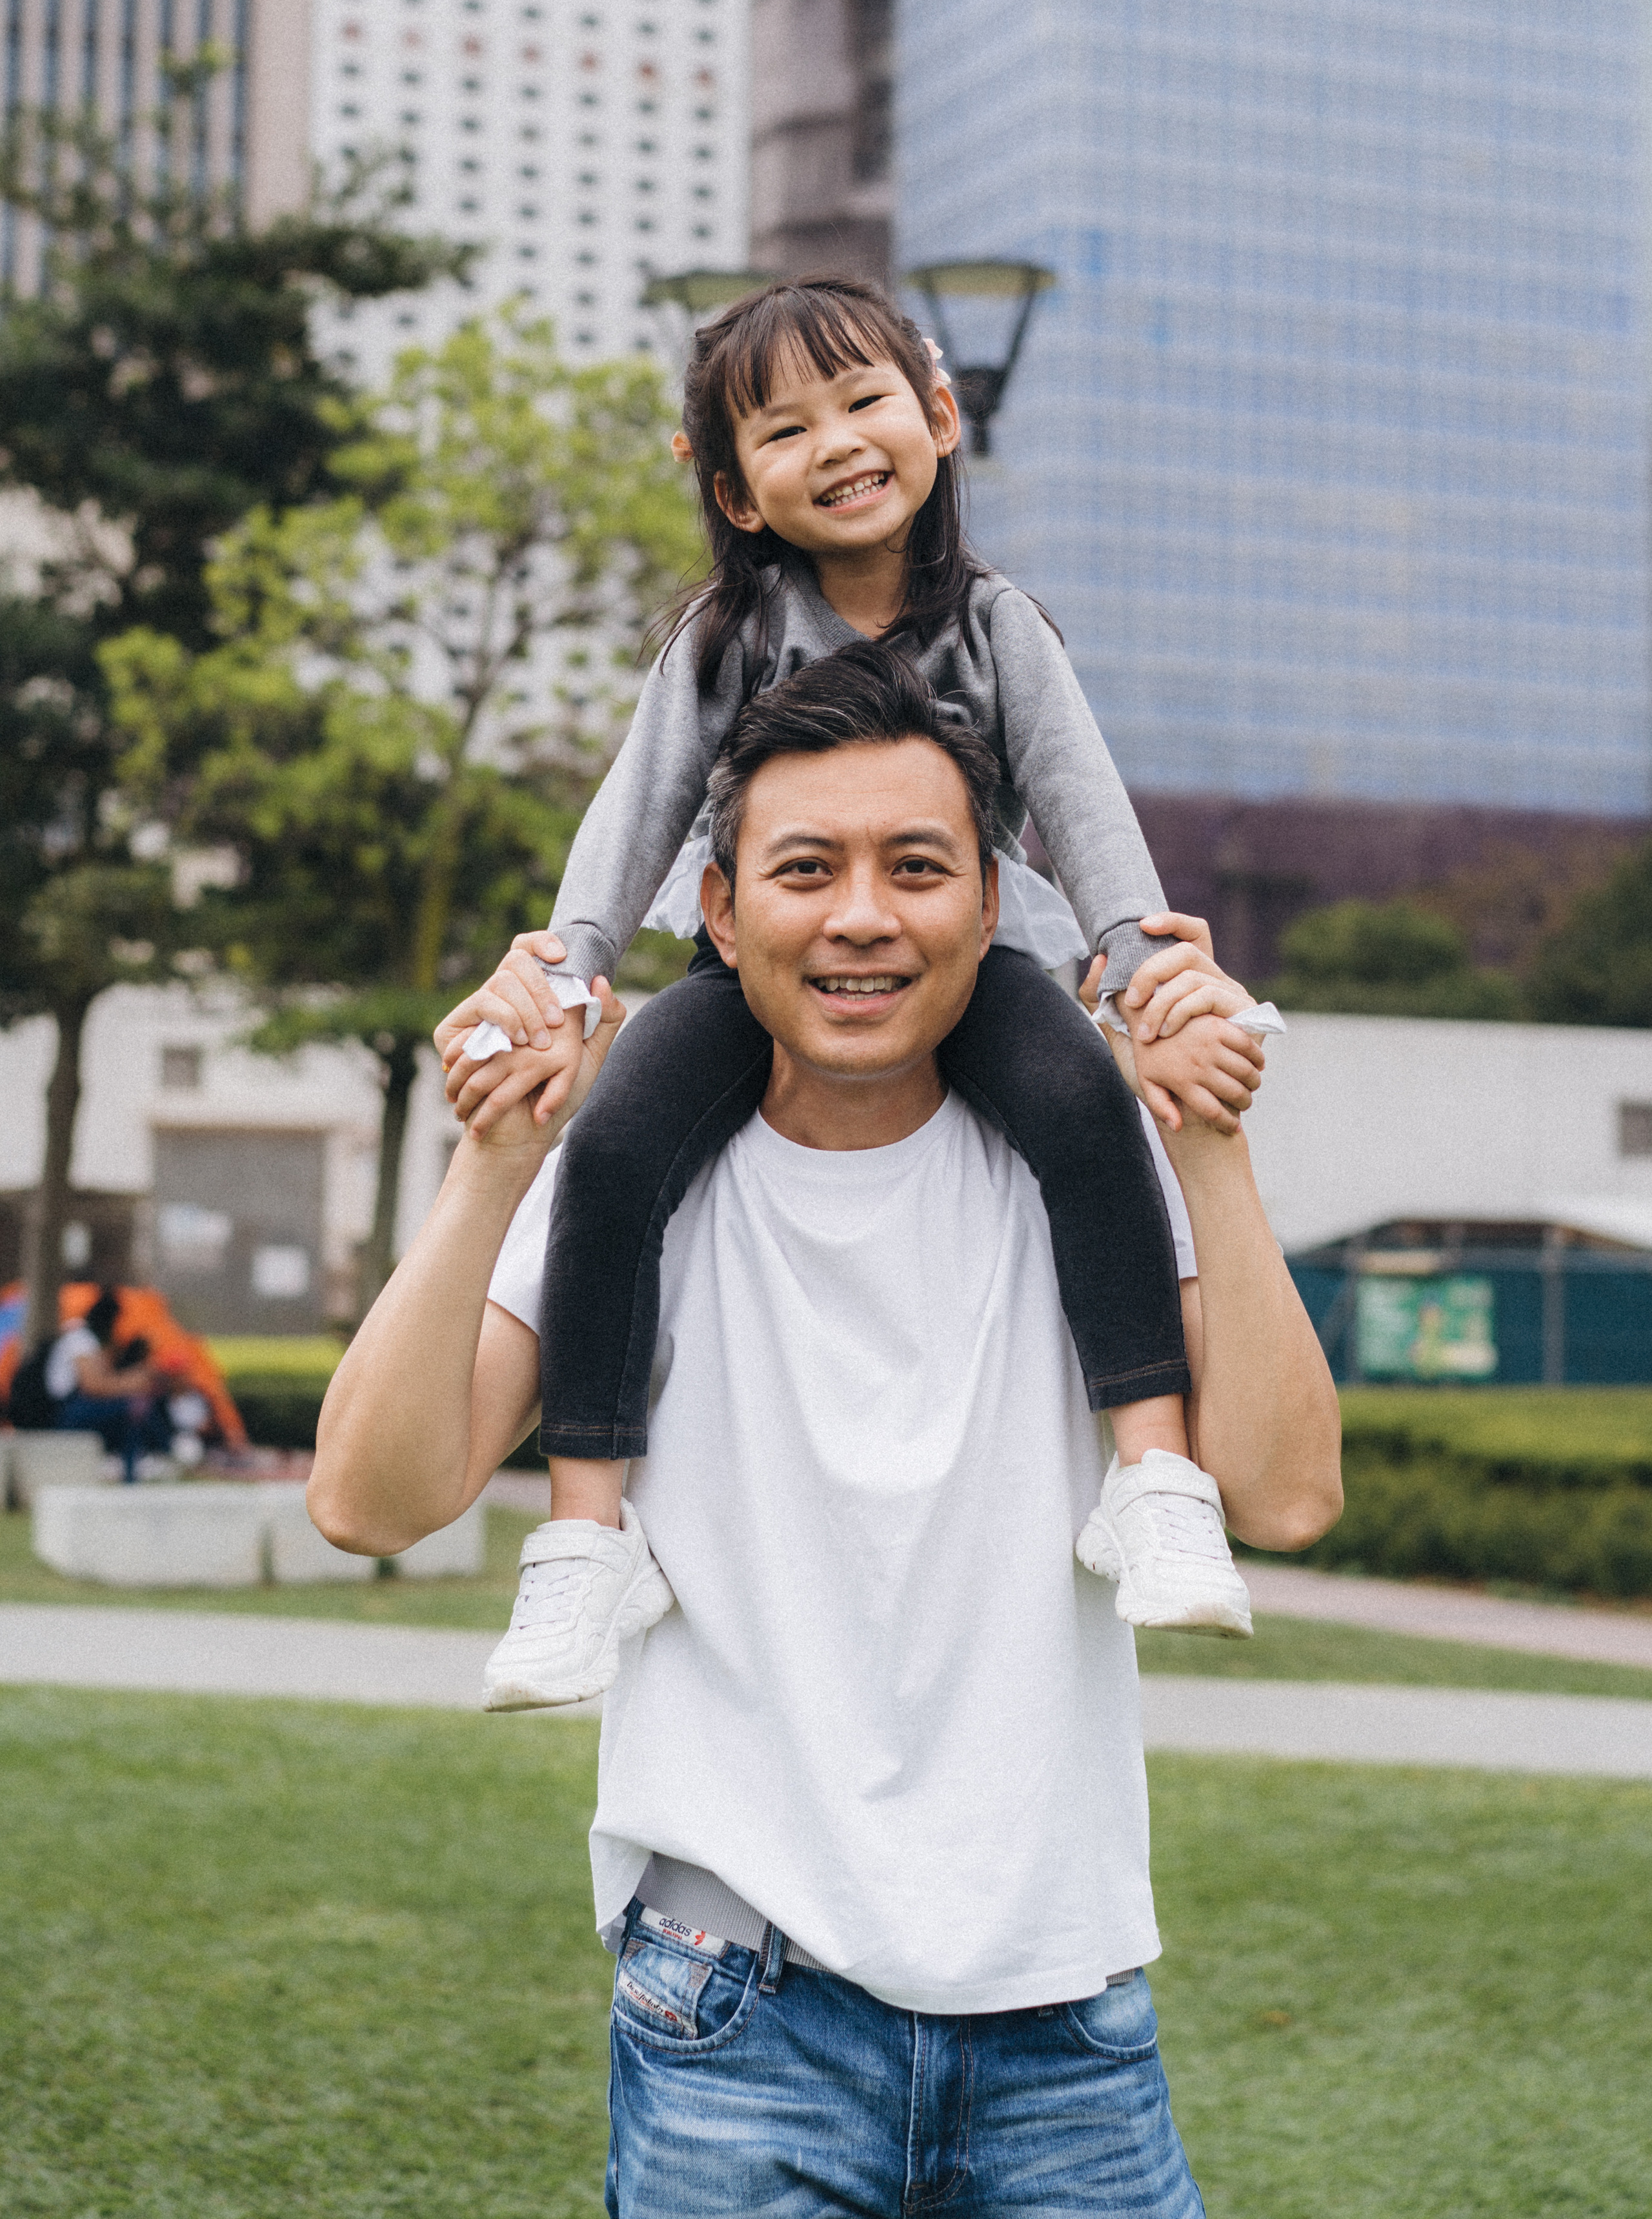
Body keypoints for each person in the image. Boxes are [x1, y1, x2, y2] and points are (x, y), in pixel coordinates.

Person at [308, 646, 1342, 2216]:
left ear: (989, 907)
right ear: (718, 913)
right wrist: (487, 1171)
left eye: (915, 866)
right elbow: (371, 1499)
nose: (861, 914)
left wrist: (1205, 1147)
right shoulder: (626, 1182)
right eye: (806, 869)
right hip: (735, 2013)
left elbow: (1282, 1492)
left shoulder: (1087, 1172)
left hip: (1063, 2012)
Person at [448, 277, 1271, 1699]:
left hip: (985, 957)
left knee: (1084, 1111)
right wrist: (569, 967)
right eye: (783, 427)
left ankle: (1152, 1478)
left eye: (862, 400)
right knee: (616, 1146)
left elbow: (1075, 797)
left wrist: (1134, 964)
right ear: (733, 489)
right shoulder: (720, 637)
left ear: (938, 416)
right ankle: (585, 1540)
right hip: (748, 972)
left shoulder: (998, 626)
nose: (834, 439)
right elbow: (636, 807)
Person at [43, 1290, 173, 1482]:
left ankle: (132, 1474)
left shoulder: (92, 1342)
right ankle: (167, 1450)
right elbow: (94, 1386)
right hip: (65, 1411)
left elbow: (108, 1380)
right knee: (134, 1407)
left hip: (81, 1407)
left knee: (134, 1413)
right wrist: (133, 1383)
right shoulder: (80, 1339)